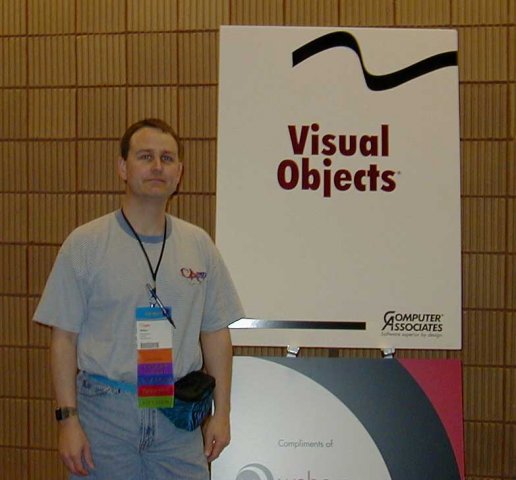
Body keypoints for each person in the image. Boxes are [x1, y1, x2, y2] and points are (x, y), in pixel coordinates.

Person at [33, 118, 244, 479]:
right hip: (105, 416)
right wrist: (68, 420)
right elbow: (63, 338)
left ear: (179, 173)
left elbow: (215, 333)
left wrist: (221, 413)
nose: (157, 166)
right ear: (123, 168)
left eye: (167, 158)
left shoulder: (198, 246)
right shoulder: (85, 245)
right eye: (145, 156)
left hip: (177, 418)